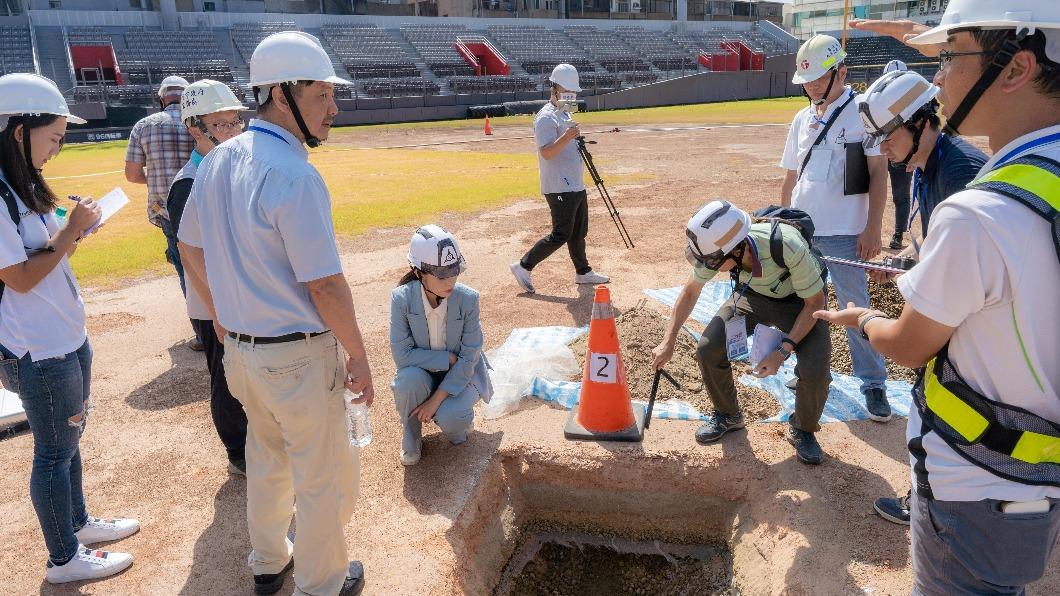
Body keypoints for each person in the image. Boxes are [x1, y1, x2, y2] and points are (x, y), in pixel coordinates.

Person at [817, 1, 1060, 591]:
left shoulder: (978, 201)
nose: (940, 76)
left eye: (951, 56)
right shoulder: (1033, 170)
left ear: (1015, 66)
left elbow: (911, 344)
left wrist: (864, 318)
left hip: (979, 477)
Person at [177, 32, 369, 596]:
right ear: (283, 95)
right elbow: (326, 286)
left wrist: (223, 314)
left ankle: (268, 561)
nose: (334, 108)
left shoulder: (218, 160)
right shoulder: (295, 175)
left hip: (241, 350)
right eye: (322, 95)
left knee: (266, 458)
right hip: (296, 354)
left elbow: (189, 248)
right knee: (321, 476)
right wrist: (358, 354)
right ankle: (321, 583)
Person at [0, 73, 140, 582]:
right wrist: (71, 230)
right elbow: (17, 278)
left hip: (64, 338)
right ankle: (63, 559)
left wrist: (71, 224)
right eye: (55, 137)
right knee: (54, 454)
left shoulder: (20, 185)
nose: (58, 148)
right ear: (19, 129)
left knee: (69, 443)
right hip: (39, 349)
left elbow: (44, 247)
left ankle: (77, 524)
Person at [856, 68, 988, 525]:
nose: (882, 147)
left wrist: (869, 319)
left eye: (887, 135)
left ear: (920, 122)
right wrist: (902, 260)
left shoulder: (962, 174)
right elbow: (934, 241)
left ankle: (936, 506)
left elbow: (972, 260)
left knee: (940, 412)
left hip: (970, 320)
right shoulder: (926, 166)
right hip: (956, 310)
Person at [651, 201, 832, 464]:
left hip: (800, 303)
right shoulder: (715, 251)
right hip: (751, 296)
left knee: (816, 371)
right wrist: (669, 340)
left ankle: (803, 429)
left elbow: (815, 303)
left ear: (738, 248)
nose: (708, 267)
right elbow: (690, 291)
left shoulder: (787, 245)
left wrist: (782, 351)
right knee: (708, 348)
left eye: (712, 261)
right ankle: (728, 415)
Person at [780, 34, 892, 423]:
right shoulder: (802, 117)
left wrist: (872, 228)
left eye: (817, 79)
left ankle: (874, 383)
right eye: (806, 82)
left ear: (840, 72)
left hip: (846, 232)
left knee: (854, 306)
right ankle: (811, 371)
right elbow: (791, 176)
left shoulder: (863, 110)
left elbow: (879, 173)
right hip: (804, 232)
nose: (810, 87)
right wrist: (782, 220)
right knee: (808, 304)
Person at [168, 79, 250, 476]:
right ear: (193, 128)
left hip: (239, 292)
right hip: (213, 300)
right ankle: (239, 452)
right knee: (225, 376)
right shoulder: (188, 183)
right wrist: (217, 312)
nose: (233, 132)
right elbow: (188, 252)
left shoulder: (234, 165)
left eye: (236, 122)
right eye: (221, 125)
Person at [389, 225, 493, 466]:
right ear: (418, 272)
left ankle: (458, 421)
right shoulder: (401, 298)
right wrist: (445, 358)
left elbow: (469, 358)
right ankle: (412, 437)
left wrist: (435, 401)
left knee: (451, 417)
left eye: (454, 272)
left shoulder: (468, 298)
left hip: (461, 375)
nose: (451, 281)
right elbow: (402, 356)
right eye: (441, 275)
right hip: (422, 374)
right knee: (407, 381)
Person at [510, 63, 609, 295]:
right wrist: (567, 137)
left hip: (574, 182)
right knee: (561, 233)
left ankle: (583, 272)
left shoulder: (564, 113)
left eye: (573, 93)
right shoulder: (545, 118)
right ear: (554, 88)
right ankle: (524, 266)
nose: (571, 96)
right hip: (558, 186)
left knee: (578, 232)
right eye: (567, 92)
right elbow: (546, 152)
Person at [124, 75, 200, 350]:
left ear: (162, 98)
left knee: (185, 268)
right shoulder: (198, 121)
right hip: (202, 203)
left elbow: (132, 175)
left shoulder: (144, 126)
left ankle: (202, 332)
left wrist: (156, 177)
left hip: (166, 210)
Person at [881, 59, 915, 250]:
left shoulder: (914, 102)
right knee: (867, 192)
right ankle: (864, 228)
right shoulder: (878, 99)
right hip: (879, 151)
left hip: (902, 154)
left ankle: (898, 233)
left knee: (900, 195)